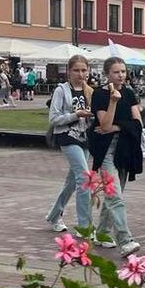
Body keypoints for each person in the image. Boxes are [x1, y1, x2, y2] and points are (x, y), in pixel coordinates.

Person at [88, 57, 142, 257]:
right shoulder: (100, 95)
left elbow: (138, 124)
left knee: (114, 197)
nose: (121, 75)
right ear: (107, 74)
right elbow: (104, 125)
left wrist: (118, 127)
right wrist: (113, 101)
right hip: (106, 150)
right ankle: (125, 240)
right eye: (116, 72)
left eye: (123, 71)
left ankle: (101, 233)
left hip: (125, 148)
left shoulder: (129, 93)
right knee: (115, 197)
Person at [45, 55, 94, 234]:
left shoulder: (89, 91)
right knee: (84, 178)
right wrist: (75, 115)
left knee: (72, 181)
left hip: (85, 138)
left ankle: (54, 215)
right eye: (76, 70)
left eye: (83, 70)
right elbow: (54, 118)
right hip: (67, 136)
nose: (80, 74)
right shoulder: (61, 90)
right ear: (69, 71)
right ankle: (84, 226)